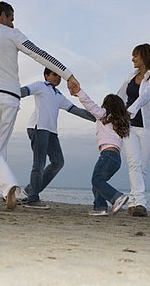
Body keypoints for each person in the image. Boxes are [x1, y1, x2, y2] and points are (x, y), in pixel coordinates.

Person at [0, 1, 80, 210]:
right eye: (11, 18)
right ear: (3, 15)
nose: (12, 23)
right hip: (11, 98)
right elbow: (40, 54)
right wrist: (69, 75)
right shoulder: (13, 34)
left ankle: (8, 185)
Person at [20, 68, 95, 209]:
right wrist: (8, 95)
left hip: (51, 131)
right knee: (39, 164)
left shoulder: (58, 94)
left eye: (60, 76)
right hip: (38, 127)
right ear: (46, 75)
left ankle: (31, 189)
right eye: (54, 74)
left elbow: (75, 110)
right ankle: (33, 199)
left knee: (58, 162)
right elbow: (24, 91)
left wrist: (98, 117)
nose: (58, 78)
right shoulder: (40, 85)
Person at [116, 43, 150, 217]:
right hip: (128, 126)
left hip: (147, 127)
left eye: (135, 55)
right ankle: (141, 204)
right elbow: (120, 96)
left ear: (144, 56)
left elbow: (146, 96)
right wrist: (110, 110)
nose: (132, 59)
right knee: (133, 163)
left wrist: (131, 110)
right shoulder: (131, 76)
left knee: (142, 166)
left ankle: (134, 202)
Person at [69, 81, 130, 216]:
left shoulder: (104, 115)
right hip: (116, 159)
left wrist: (79, 92)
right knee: (98, 182)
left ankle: (117, 197)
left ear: (107, 106)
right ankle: (100, 208)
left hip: (107, 155)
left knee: (96, 180)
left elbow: (90, 105)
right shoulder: (120, 121)